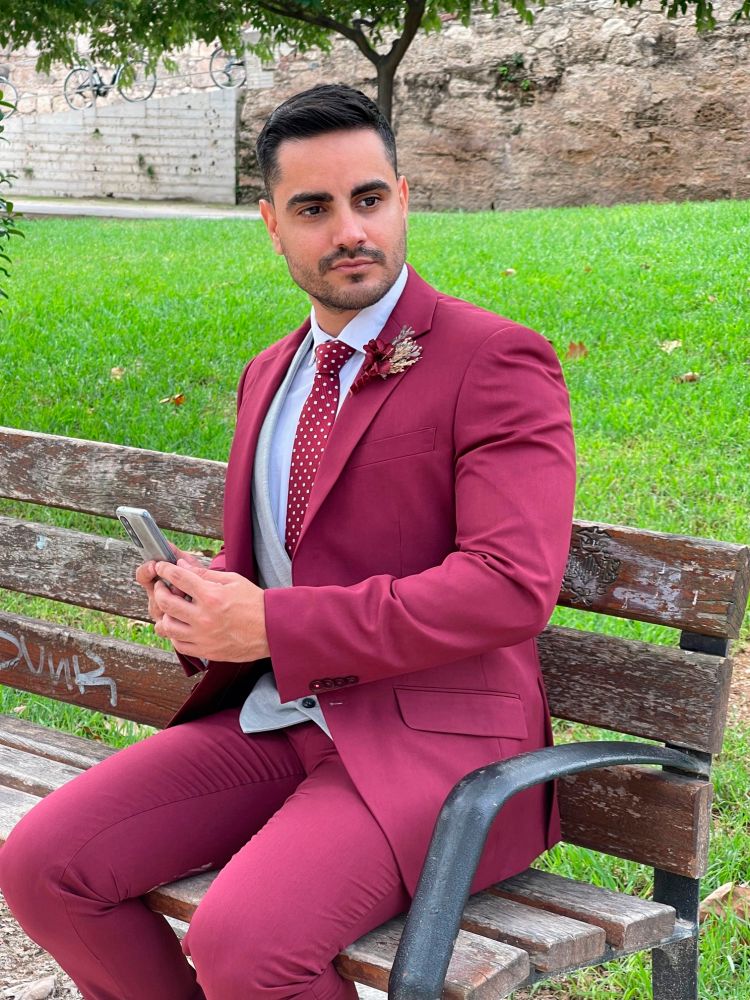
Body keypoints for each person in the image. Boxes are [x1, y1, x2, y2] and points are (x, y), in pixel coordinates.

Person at [0, 84, 576, 1000]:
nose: (350, 230)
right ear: (271, 224)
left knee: (246, 944)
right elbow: (288, 559)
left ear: (403, 198)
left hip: (436, 747)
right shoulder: (269, 373)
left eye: (369, 199)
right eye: (314, 208)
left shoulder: (493, 358)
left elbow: (510, 585)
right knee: (44, 867)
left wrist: (273, 622)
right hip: (277, 715)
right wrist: (208, 597)